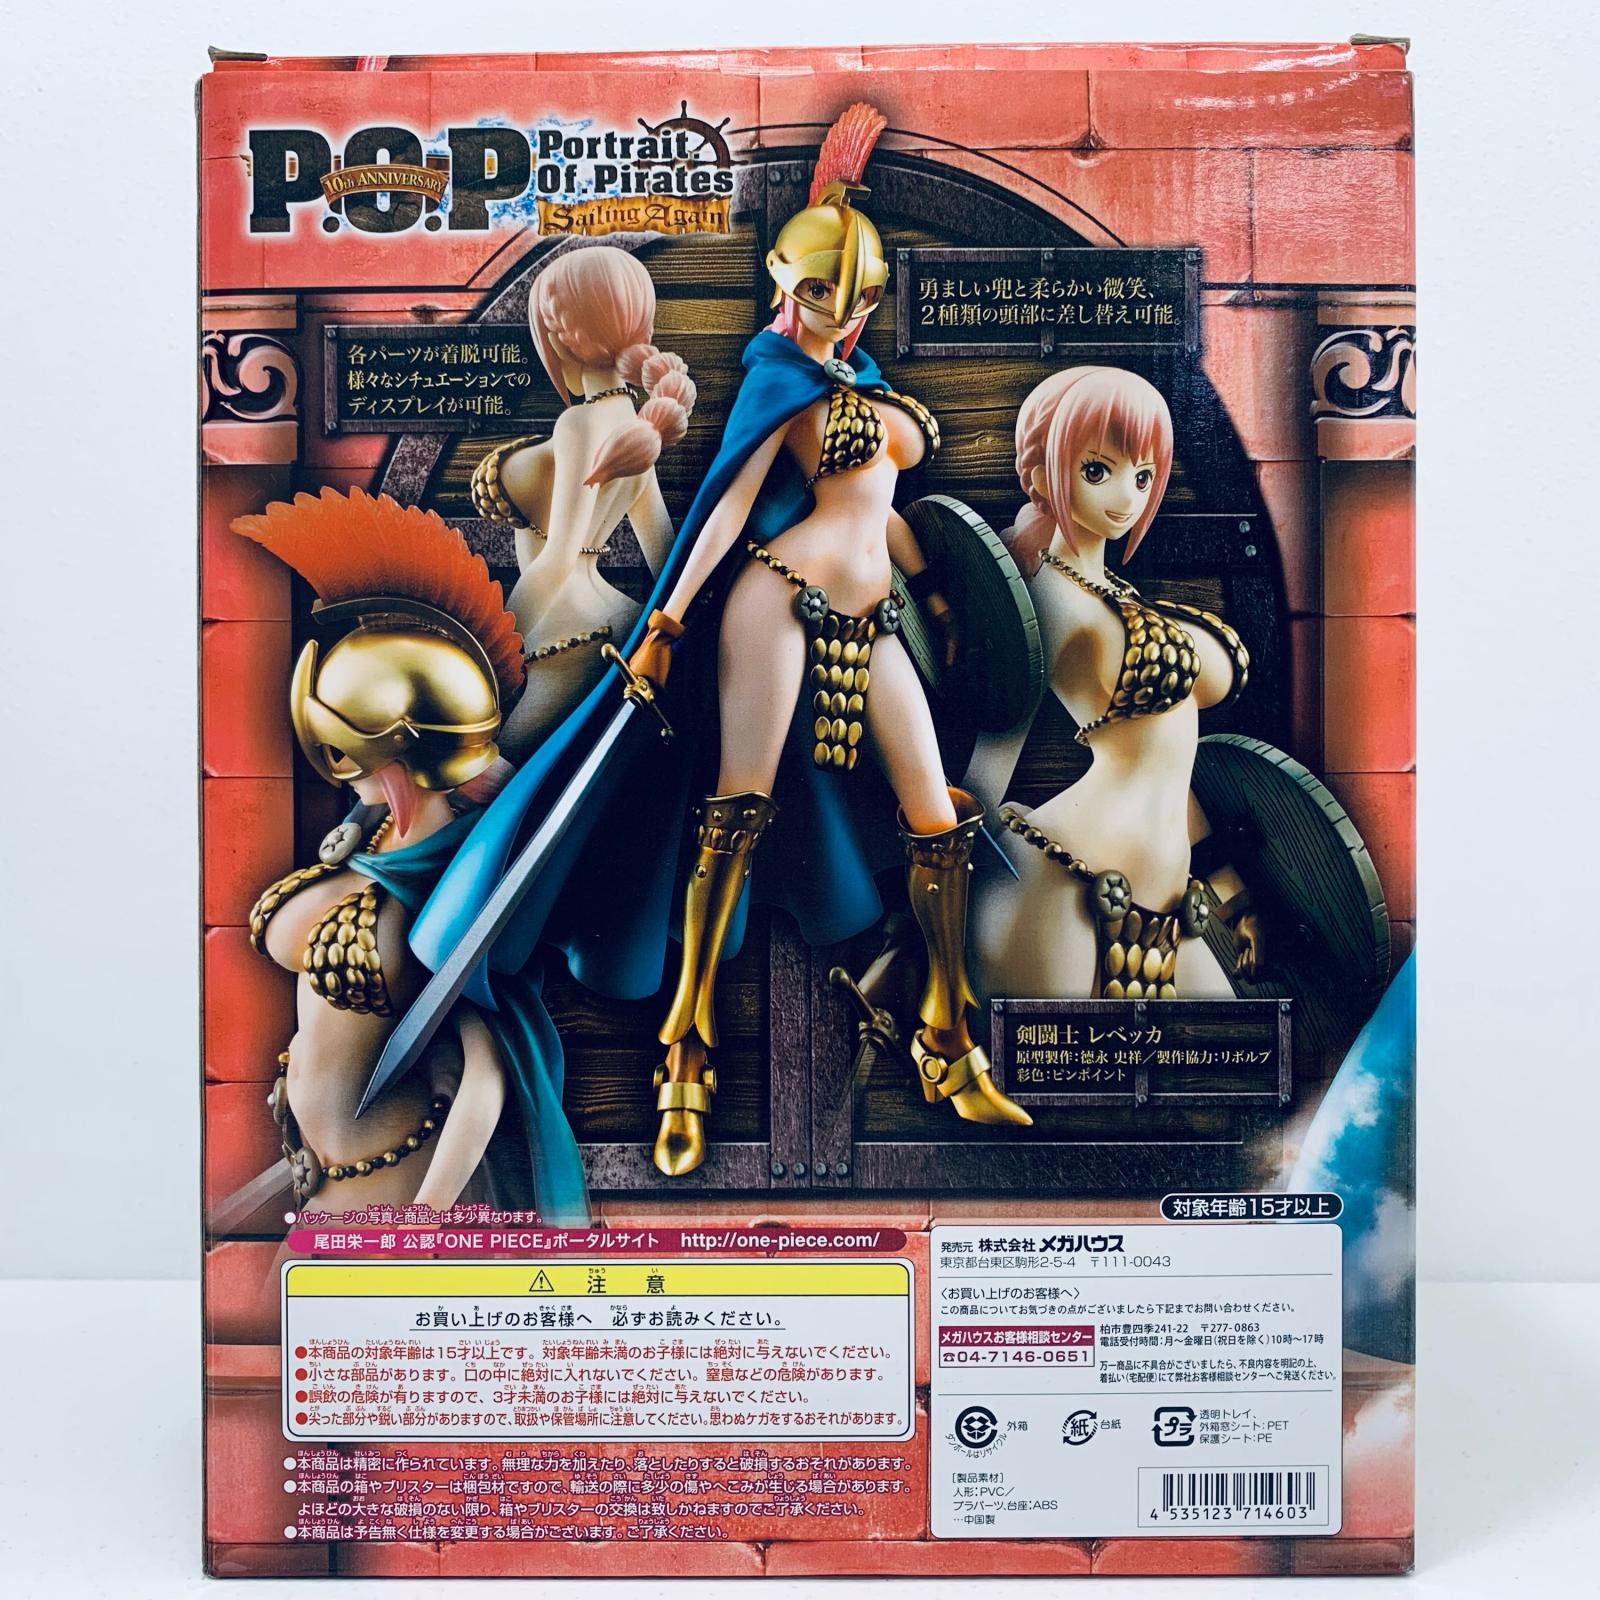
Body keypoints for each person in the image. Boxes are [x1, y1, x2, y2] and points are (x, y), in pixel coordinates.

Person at [234, 487, 588, 1223]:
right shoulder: (372, 838)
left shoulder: (461, 892)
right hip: (311, 1176)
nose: (343, 775)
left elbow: (485, 1077)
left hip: (395, 1184)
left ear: (398, 759)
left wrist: (423, 1223)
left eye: (350, 755)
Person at [967, 367, 1259, 1005]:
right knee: (1057, 1060)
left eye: (1144, 476)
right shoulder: (1050, 600)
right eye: (1098, 470)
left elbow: (1164, 764)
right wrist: (930, 928)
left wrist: (1231, 892)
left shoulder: (1112, 594)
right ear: (1042, 471)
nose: (1127, 496)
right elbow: (991, 761)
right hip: (1066, 879)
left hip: (1167, 904)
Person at [469, 244, 695, 759]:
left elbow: (558, 558)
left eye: (550, 326)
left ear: (562, 336)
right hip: (615, 625)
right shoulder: (637, 423)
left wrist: (491, 652)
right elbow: (663, 555)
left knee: (487, 770)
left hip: (560, 632)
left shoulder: (579, 423)